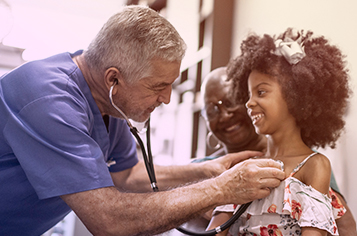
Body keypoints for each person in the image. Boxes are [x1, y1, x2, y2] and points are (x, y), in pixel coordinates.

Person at [0, 6, 286, 236]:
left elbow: (127, 175)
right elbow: (108, 220)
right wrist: (221, 188)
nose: (167, 99)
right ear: (114, 78)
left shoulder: (110, 102)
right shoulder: (48, 99)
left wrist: (208, 171)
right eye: (158, 86)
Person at [207, 28, 353, 235]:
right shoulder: (245, 168)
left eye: (261, 92)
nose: (249, 102)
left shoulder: (314, 166)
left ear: (296, 97)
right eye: (249, 94)